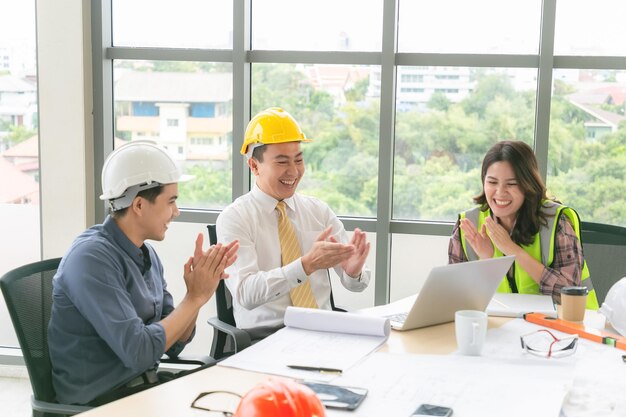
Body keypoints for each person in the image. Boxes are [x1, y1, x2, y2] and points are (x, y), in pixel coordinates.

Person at [48, 141, 239, 405]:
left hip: (142, 389)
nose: (177, 211)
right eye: (171, 201)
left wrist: (201, 290)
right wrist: (194, 298)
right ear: (138, 205)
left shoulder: (146, 254)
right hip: (101, 403)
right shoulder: (91, 259)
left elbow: (173, 345)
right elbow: (139, 352)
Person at [217, 107, 371, 331]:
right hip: (264, 339)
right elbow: (246, 294)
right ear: (254, 165)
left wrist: (353, 271)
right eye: (282, 162)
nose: (294, 171)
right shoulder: (235, 218)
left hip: (322, 331)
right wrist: (306, 265)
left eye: (298, 160)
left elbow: (356, 286)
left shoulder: (318, 211)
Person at [448, 140, 598, 309]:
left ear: (528, 185)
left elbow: (569, 294)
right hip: (502, 327)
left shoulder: (557, 222)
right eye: (492, 182)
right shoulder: (469, 224)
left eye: (511, 184)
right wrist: (486, 260)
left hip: (567, 327)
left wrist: (512, 250)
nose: (500, 192)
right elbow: (458, 298)